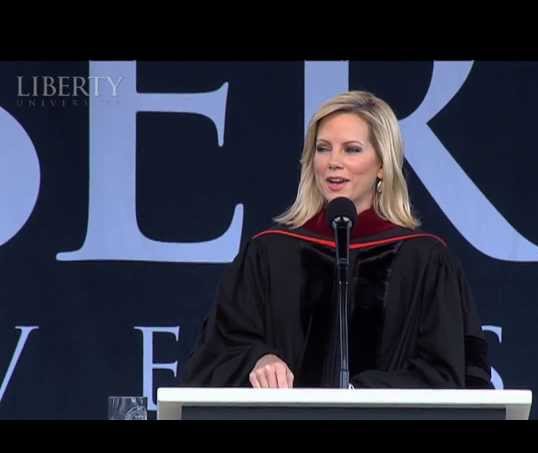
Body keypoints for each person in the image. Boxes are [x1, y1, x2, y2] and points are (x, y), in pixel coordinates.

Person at [181, 91, 491, 389]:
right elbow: (215, 354)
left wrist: (361, 394)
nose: (332, 162)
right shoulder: (269, 253)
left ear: (382, 165)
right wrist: (258, 360)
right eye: (323, 148)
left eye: (352, 149)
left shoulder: (425, 260)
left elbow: (450, 374)